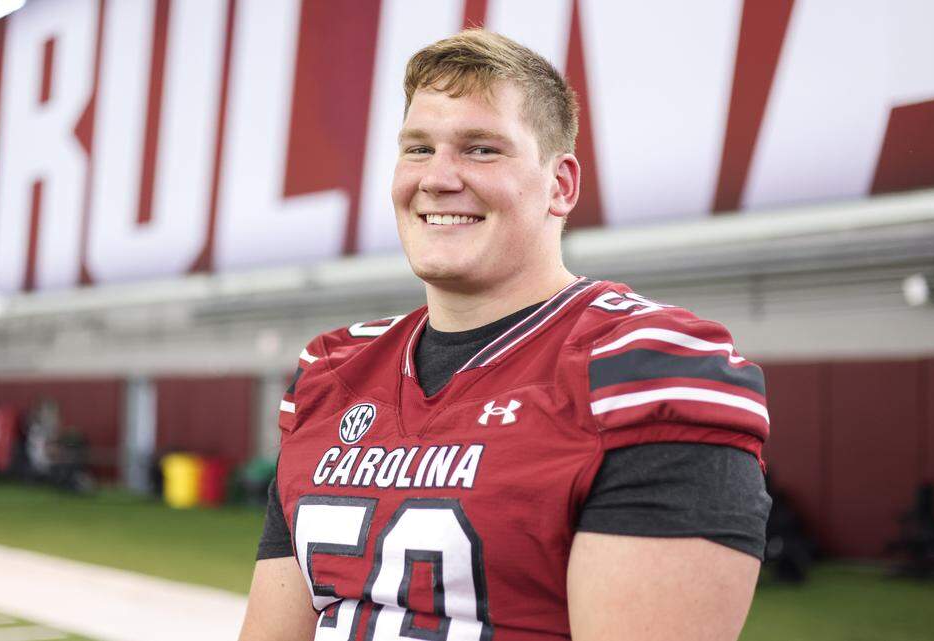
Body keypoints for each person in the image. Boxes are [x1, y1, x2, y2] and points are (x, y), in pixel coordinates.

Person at [239, 30, 771, 641]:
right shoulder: (332, 370)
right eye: (417, 148)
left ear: (561, 185)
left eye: (481, 149)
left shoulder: (645, 369)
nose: (437, 178)